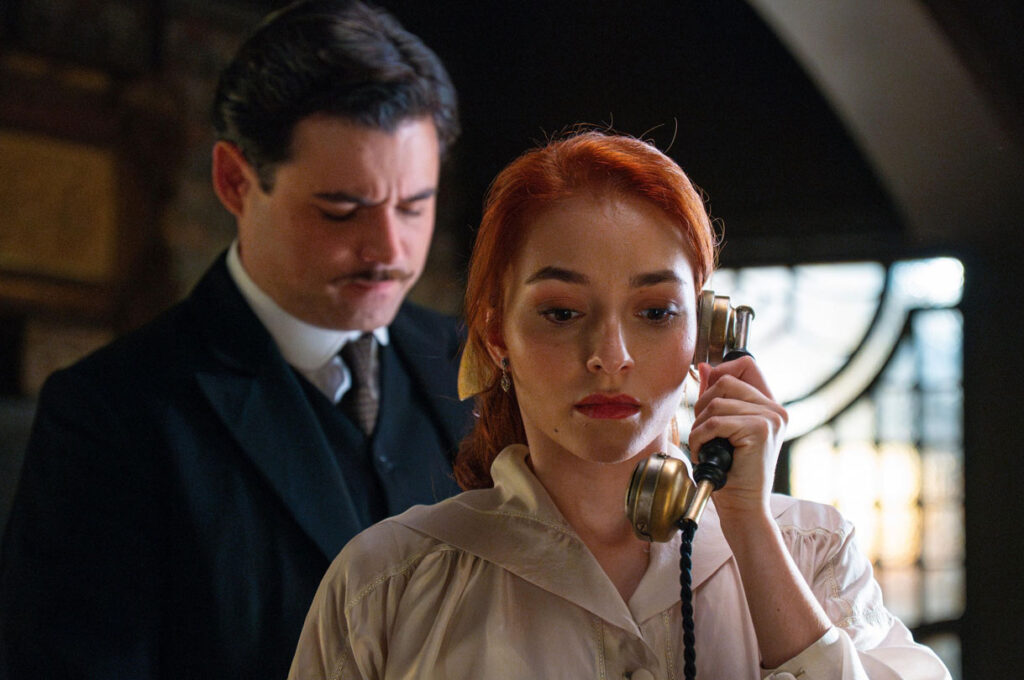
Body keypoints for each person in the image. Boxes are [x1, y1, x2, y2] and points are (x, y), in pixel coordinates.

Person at [288, 130, 952, 679]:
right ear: (497, 337)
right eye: (562, 313)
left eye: (656, 312)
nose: (610, 356)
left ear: (706, 335)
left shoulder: (812, 552)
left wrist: (749, 523)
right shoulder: (386, 584)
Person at [0, 1, 471, 678]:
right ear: (234, 181)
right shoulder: (109, 415)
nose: (390, 250)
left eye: (414, 206)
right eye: (342, 210)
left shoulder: (473, 364)